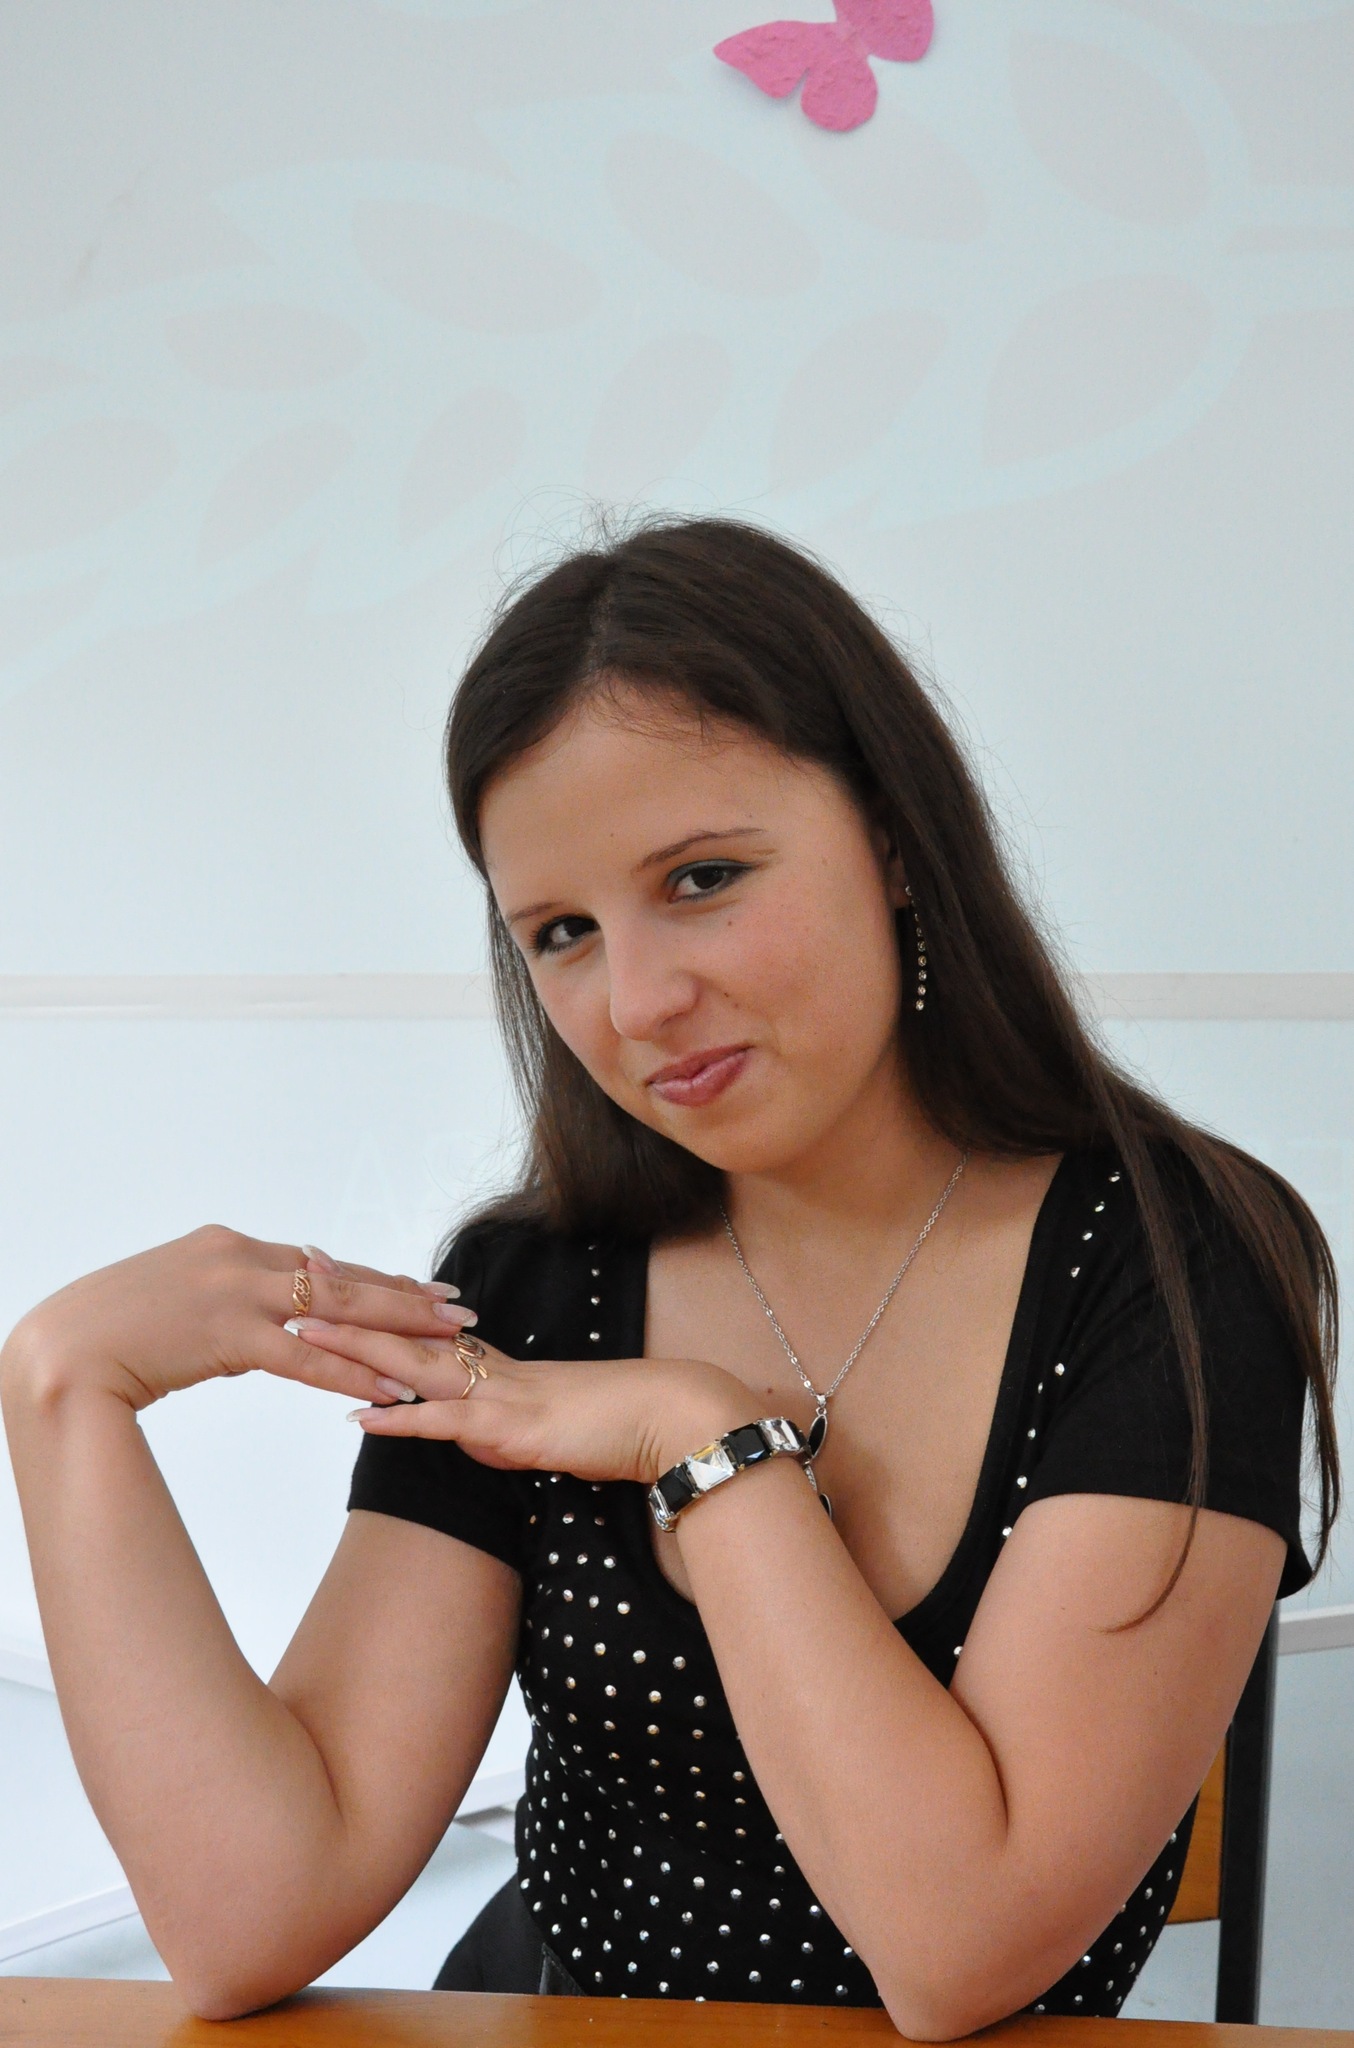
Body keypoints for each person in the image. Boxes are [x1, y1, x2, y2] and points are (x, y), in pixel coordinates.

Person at [0, 518, 1337, 2036]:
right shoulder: (531, 1287)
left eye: (703, 878)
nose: (635, 1002)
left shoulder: (1171, 1264)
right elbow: (252, 1912)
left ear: (896, 841)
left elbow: (957, 1948)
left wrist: (701, 1439)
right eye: (561, 932)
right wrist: (63, 1393)